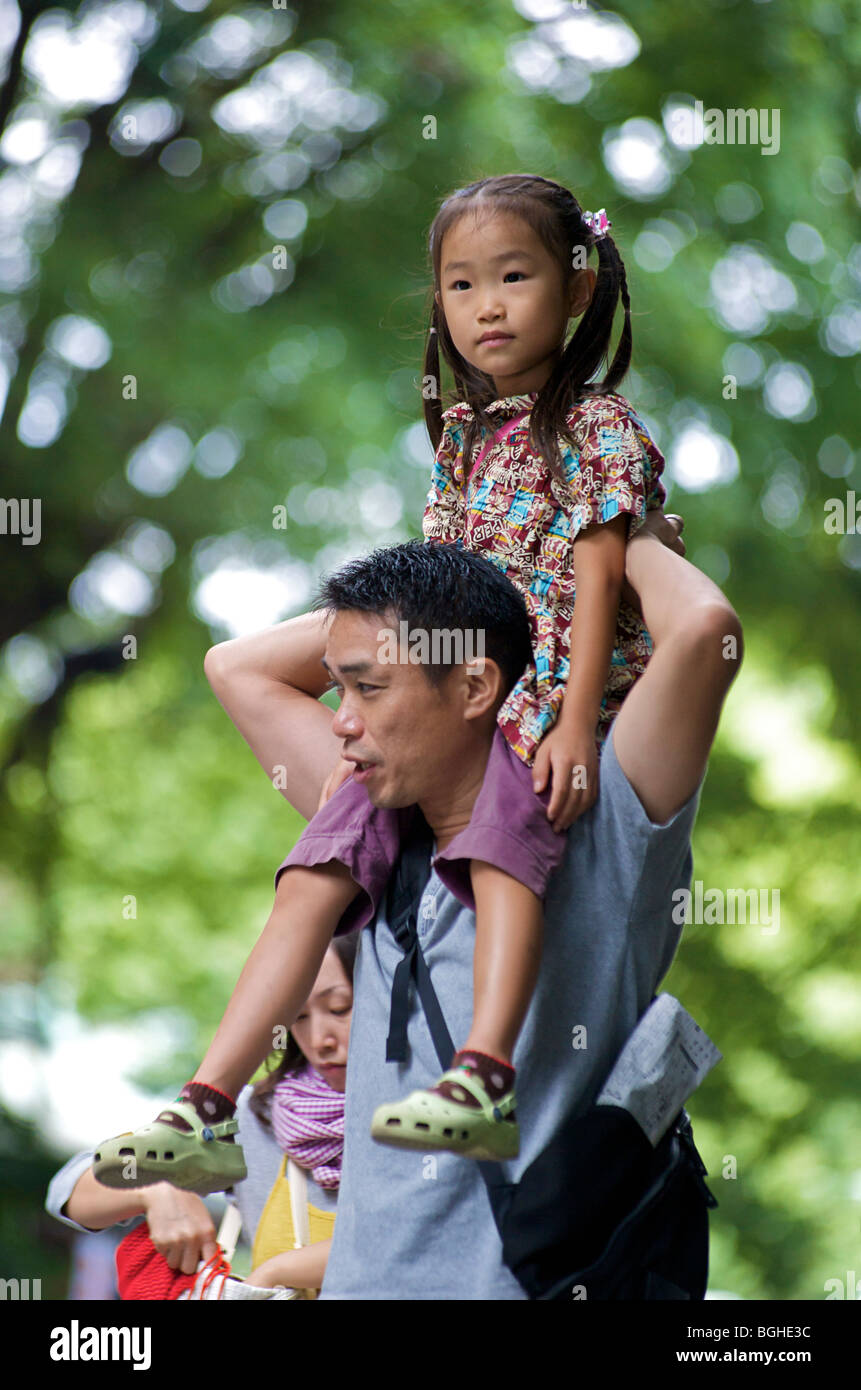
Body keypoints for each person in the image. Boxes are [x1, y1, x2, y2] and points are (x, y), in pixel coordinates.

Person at [91, 172, 675, 1188]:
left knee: (500, 853)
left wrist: (577, 723)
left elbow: (598, 577)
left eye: (514, 276)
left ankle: (483, 1071)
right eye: (460, 285)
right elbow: (433, 596)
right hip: (449, 694)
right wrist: (373, 701)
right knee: (314, 869)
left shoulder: (595, 428)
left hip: (528, 713)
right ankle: (209, 1099)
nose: (485, 305)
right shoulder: (462, 437)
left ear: (577, 291)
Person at [45, 938, 355, 1298]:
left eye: (340, 1008)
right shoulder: (259, 1116)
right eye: (299, 1016)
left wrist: (275, 1273)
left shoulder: (420, 1116)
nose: (320, 1039)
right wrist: (155, 1191)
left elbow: (412, 1236)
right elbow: (67, 1193)